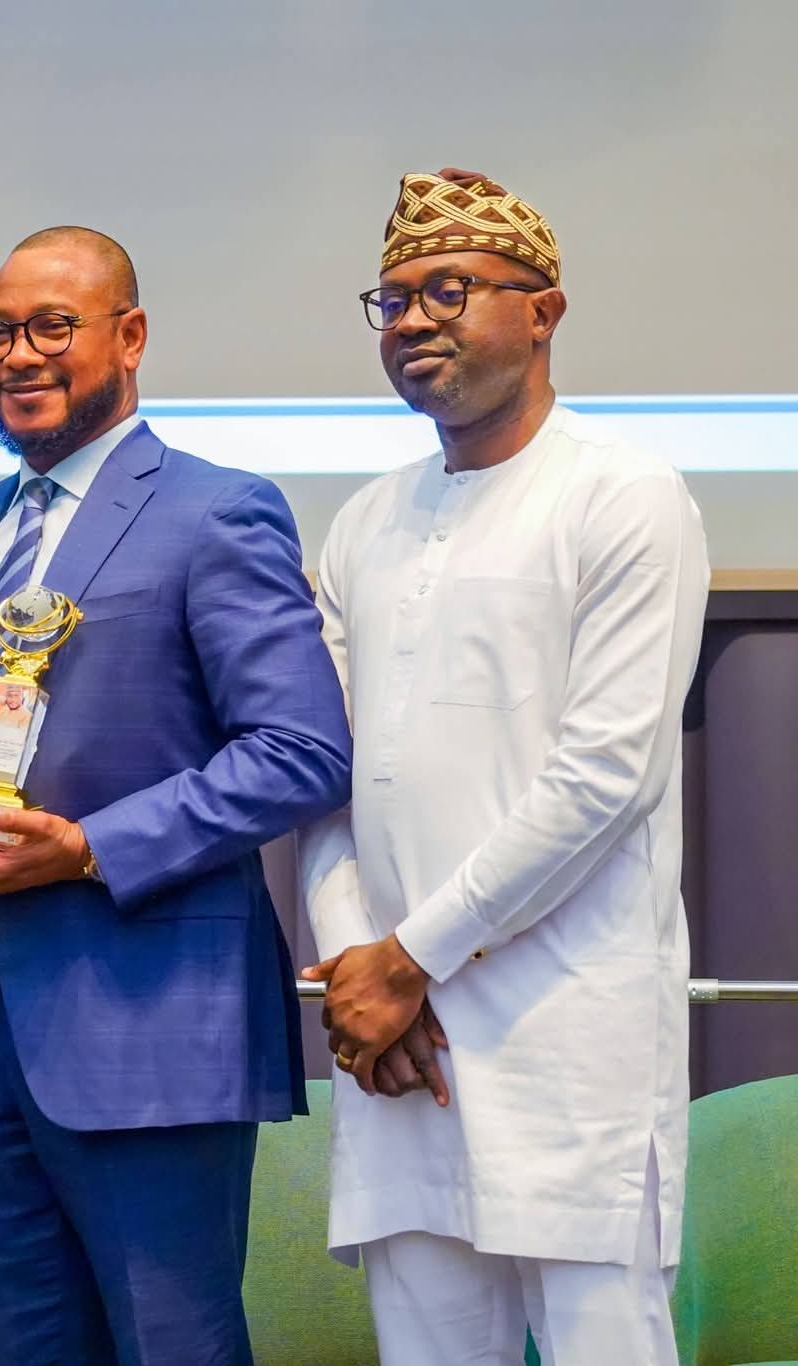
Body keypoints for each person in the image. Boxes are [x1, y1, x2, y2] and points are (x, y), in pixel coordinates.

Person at [0, 227, 352, 1362]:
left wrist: (90, 846)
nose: (20, 354)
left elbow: (300, 749)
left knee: (172, 1346)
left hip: (152, 1021)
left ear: (131, 335)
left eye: (53, 326)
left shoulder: (216, 510)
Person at [299, 170, 708, 1364]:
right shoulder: (364, 521)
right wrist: (355, 970)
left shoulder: (622, 494)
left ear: (542, 312)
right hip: (397, 1049)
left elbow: (604, 776)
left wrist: (406, 959)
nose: (412, 321)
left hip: (564, 1041)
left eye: (449, 290)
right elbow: (323, 774)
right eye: (391, 300)